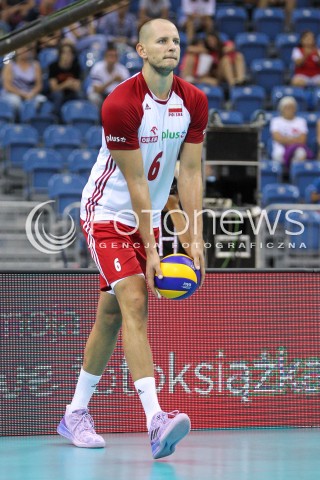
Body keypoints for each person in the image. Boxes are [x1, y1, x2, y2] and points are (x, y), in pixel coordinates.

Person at [57, 18, 208, 459]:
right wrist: (157, 247)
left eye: (177, 41)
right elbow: (138, 182)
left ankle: (75, 414)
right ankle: (156, 420)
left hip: (149, 217)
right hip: (106, 213)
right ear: (141, 50)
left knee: (110, 317)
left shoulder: (193, 100)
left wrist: (195, 238)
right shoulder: (121, 103)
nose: (171, 47)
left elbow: (192, 172)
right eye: (161, 41)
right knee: (135, 301)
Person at [180, 31, 246, 87]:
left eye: (213, 40)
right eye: (209, 41)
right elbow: (189, 49)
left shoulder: (223, 45)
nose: (211, 42)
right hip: (217, 73)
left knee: (238, 56)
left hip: (230, 69)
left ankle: (240, 79)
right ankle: (232, 84)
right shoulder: (207, 51)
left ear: (217, 39)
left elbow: (231, 46)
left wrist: (223, 50)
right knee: (225, 59)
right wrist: (202, 50)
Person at [1, 44, 46, 116]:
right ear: (16, 51)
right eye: (21, 49)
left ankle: (34, 121)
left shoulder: (35, 65)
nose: (24, 51)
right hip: (13, 94)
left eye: (26, 49)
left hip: (30, 93)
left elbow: (39, 85)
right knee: (15, 101)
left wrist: (32, 94)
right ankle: (16, 121)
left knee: (42, 99)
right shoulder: (10, 65)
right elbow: (7, 86)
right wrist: (22, 94)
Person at [270, 96, 314, 167]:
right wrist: (294, 140)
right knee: (278, 154)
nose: (289, 110)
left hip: (297, 147)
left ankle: (295, 172)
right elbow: (277, 138)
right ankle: (282, 174)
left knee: (301, 153)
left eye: (291, 107)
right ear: (282, 109)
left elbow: (303, 139)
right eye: (287, 107)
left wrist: (288, 141)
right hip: (281, 147)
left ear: (295, 109)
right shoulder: (276, 121)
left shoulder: (301, 121)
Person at [87, 43, 130, 109]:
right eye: (110, 56)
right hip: (100, 94)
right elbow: (97, 90)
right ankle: (98, 118)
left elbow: (128, 91)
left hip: (114, 95)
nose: (113, 58)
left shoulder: (123, 70)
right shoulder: (97, 68)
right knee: (94, 97)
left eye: (115, 56)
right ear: (105, 57)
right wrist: (113, 80)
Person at [48, 40, 82, 116]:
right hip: (57, 94)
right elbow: (53, 88)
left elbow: (78, 86)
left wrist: (74, 85)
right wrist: (66, 84)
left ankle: (78, 117)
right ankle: (56, 118)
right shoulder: (53, 66)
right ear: (60, 54)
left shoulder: (76, 66)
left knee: (80, 94)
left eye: (70, 53)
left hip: (71, 92)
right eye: (65, 53)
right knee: (58, 95)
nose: (67, 55)